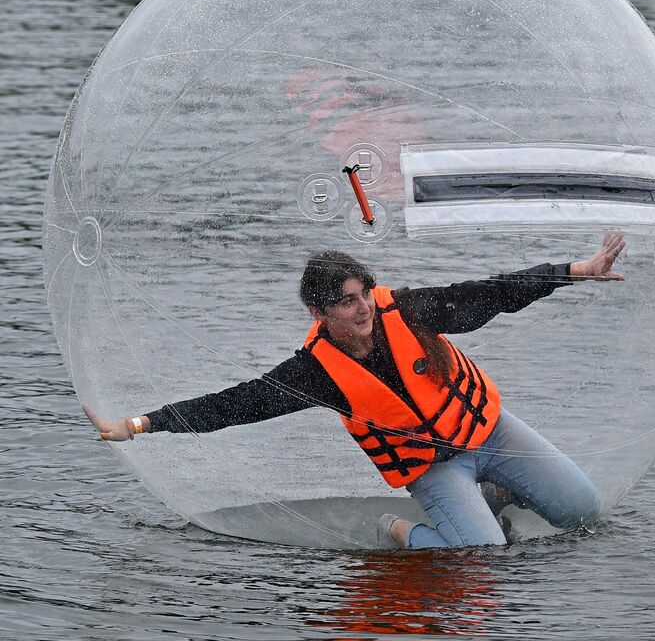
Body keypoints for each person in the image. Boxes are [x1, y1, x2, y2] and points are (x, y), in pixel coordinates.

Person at [84, 233, 626, 549]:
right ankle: (402, 533)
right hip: (433, 468)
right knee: (481, 561)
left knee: (583, 511)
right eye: (345, 301)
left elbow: (491, 293)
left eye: (363, 292)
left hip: (491, 434)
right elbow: (237, 403)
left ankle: (497, 492)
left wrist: (576, 271)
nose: (363, 306)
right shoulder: (315, 373)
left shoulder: (407, 311)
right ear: (319, 313)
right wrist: (140, 424)